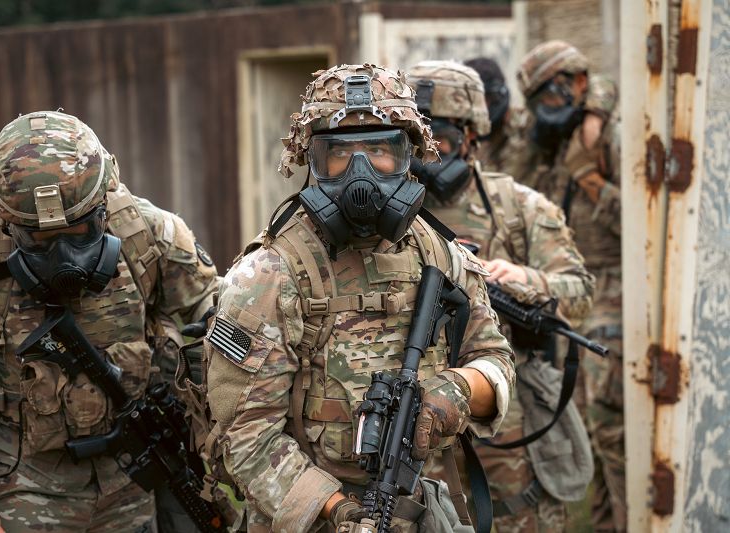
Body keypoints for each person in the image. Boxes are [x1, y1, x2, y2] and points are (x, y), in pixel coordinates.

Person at [202, 64, 515, 532]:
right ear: (313, 161)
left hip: (430, 513)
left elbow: (495, 359)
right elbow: (246, 436)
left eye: (379, 150)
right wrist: (337, 510)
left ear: (408, 155)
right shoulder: (269, 275)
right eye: (340, 153)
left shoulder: (440, 255)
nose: (360, 173)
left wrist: (458, 390)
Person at [0, 110, 218, 532]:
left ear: (103, 207)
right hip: (24, 489)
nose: (64, 258)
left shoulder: (147, 236)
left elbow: (218, 315)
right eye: (39, 239)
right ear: (8, 224)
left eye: (79, 232)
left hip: (134, 484)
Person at [406, 60, 595, 532]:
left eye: (441, 138)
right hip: (413, 419)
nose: (429, 154)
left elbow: (579, 294)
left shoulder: (518, 207)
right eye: (416, 140)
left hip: (507, 422)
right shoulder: (388, 213)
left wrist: (521, 279)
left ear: (472, 135)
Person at [512, 41, 624, 532]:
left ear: (578, 83)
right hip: (563, 299)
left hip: (612, 296)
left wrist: (589, 176)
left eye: (553, 92)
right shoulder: (550, 145)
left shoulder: (606, 140)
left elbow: (645, 223)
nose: (546, 106)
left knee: (609, 431)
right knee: (585, 438)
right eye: (537, 97)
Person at [461, 57, 529, 176]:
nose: (482, 107)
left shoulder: (525, 130)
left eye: (486, 98)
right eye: (471, 99)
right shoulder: (461, 135)